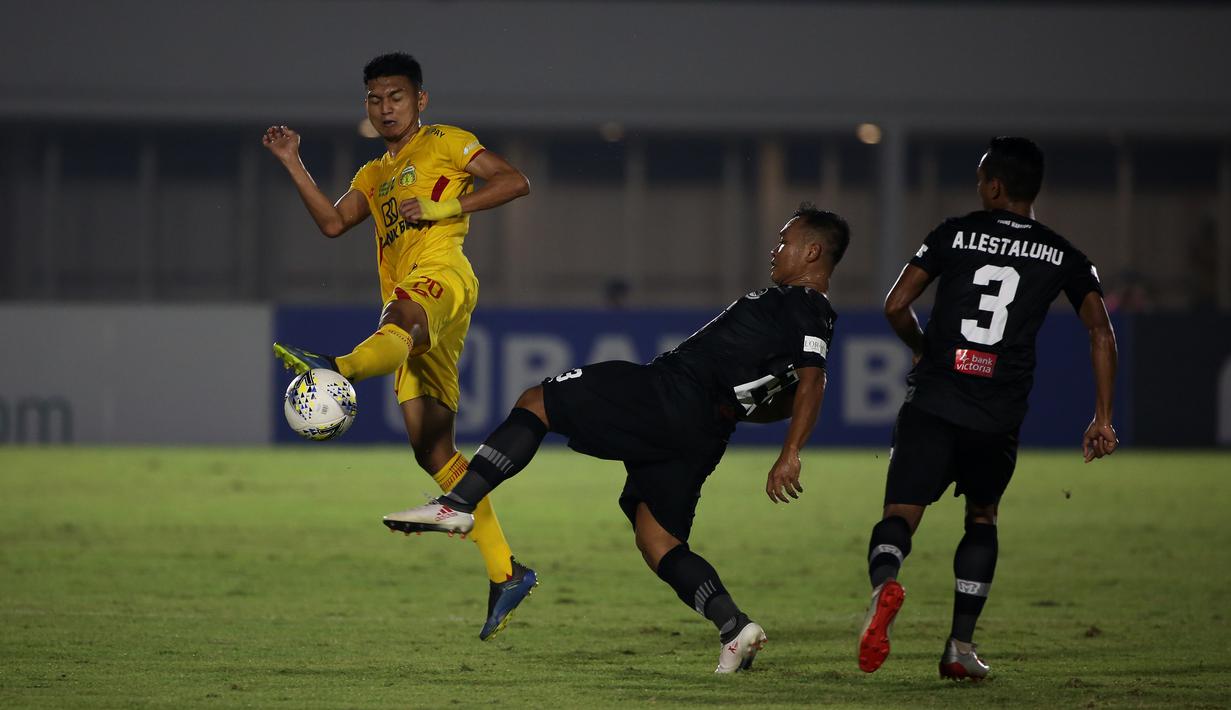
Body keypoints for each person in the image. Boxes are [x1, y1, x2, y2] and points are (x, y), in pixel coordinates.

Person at [382, 205, 850, 673]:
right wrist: (733, 410)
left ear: (812, 251)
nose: (775, 249)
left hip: (670, 393)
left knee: (537, 402)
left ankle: (458, 504)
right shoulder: (805, 314)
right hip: (703, 430)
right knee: (657, 540)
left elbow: (813, 382)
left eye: (785, 240)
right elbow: (788, 397)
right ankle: (734, 627)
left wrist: (790, 452)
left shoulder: (803, 305)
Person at [261, 52, 535, 641]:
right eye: (375, 99)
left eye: (397, 97)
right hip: (411, 302)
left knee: (399, 317)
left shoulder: (447, 142)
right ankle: (506, 571)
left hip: (443, 276)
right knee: (432, 449)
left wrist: (447, 205)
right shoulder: (373, 173)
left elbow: (515, 181)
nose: (385, 108)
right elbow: (333, 224)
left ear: (420, 100)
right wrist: (292, 161)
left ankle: (335, 367)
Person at [856, 137, 1119, 680]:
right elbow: (1101, 331)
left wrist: (922, 348)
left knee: (900, 515)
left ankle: (885, 588)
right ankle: (959, 647)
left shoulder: (953, 233)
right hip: (997, 413)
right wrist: (1102, 417)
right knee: (982, 516)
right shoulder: (1064, 255)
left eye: (981, 179)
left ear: (994, 187)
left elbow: (896, 305)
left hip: (935, 398)